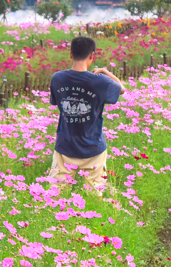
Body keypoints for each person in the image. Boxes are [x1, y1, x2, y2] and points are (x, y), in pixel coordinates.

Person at [48, 36, 126, 191]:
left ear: (70, 54)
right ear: (92, 56)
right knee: (95, 194)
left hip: (65, 145)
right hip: (93, 147)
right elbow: (122, 89)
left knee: (55, 194)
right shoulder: (99, 81)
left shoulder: (58, 78)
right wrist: (105, 71)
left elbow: (56, 102)